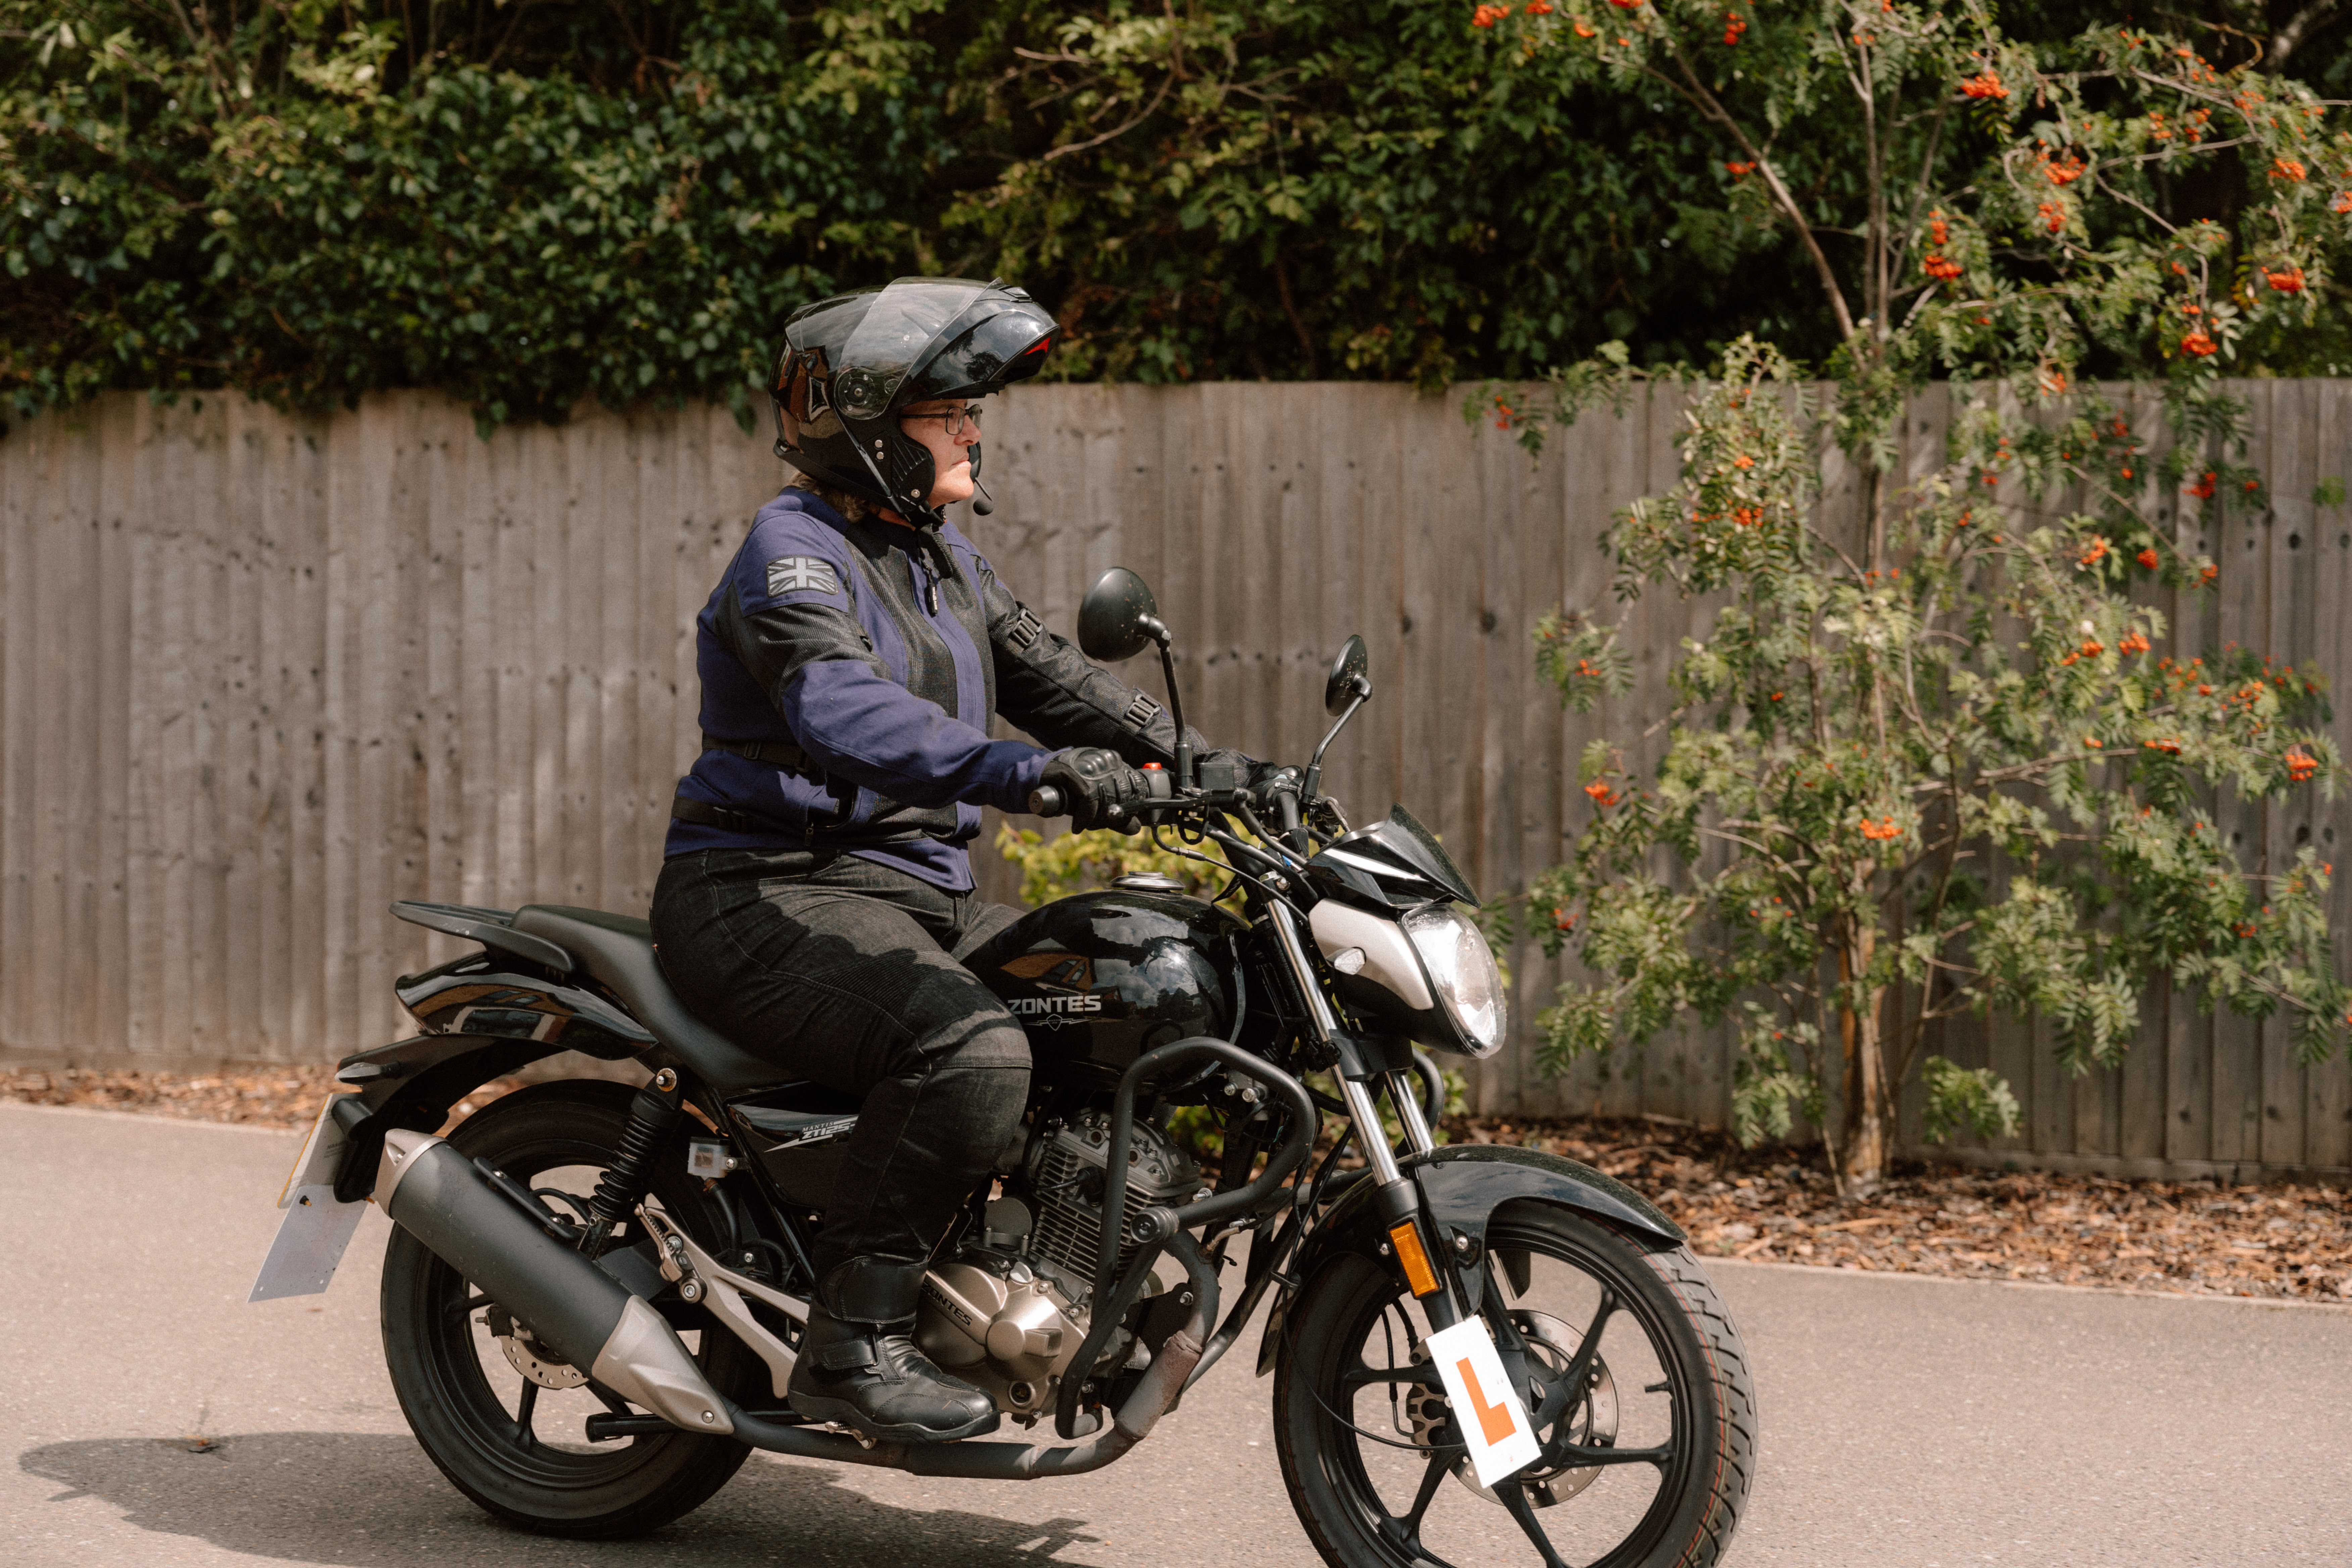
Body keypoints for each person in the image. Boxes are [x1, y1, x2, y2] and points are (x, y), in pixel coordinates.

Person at [649, 279, 1258, 1444]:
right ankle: (851, 1345)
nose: (975, 427)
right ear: (871, 428)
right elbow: (844, 713)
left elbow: (1059, 682)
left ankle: (1049, 1276)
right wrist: (1025, 776)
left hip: (908, 898)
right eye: (948, 411)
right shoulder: (793, 557)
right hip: (763, 892)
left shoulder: (944, 561)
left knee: (1130, 986)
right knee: (969, 1050)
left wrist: (1210, 762)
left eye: (973, 408)